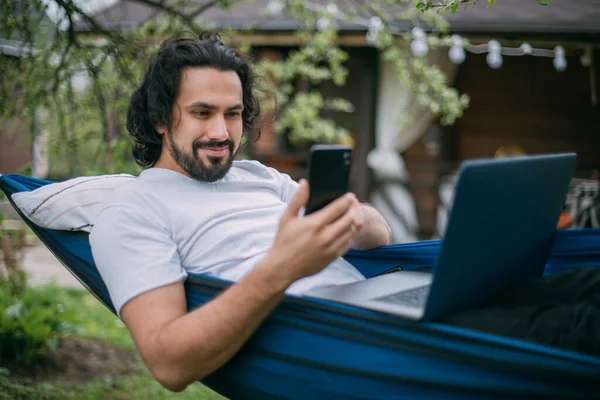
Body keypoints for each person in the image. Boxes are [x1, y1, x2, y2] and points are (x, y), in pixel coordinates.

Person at [89, 33, 392, 392]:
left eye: (232, 114)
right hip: (338, 345)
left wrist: (350, 217)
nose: (221, 132)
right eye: (202, 113)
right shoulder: (132, 209)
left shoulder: (258, 176)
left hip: (382, 309)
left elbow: (380, 238)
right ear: (160, 118)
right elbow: (169, 364)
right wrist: (284, 266)